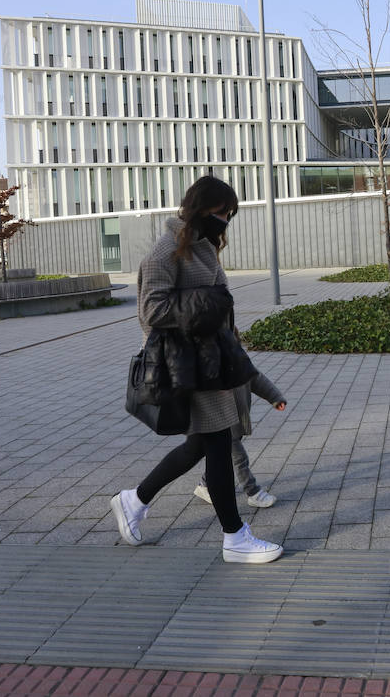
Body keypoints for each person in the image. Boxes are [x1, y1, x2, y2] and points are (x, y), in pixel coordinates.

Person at [110, 176, 286, 564]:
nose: (226, 220)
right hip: (189, 366)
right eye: (222, 212)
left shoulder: (202, 246)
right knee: (217, 444)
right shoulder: (165, 251)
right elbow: (151, 311)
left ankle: (134, 500)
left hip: (210, 364)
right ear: (200, 209)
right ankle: (235, 537)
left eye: (229, 214)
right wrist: (206, 305)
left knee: (201, 446)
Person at [194, 374, 284, 508]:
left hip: (237, 418)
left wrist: (275, 397)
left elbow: (255, 378)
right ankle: (253, 492)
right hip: (219, 420)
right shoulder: (211, 363)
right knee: (239, 458)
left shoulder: (239, 361)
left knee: (221, 456)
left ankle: (205, 484)